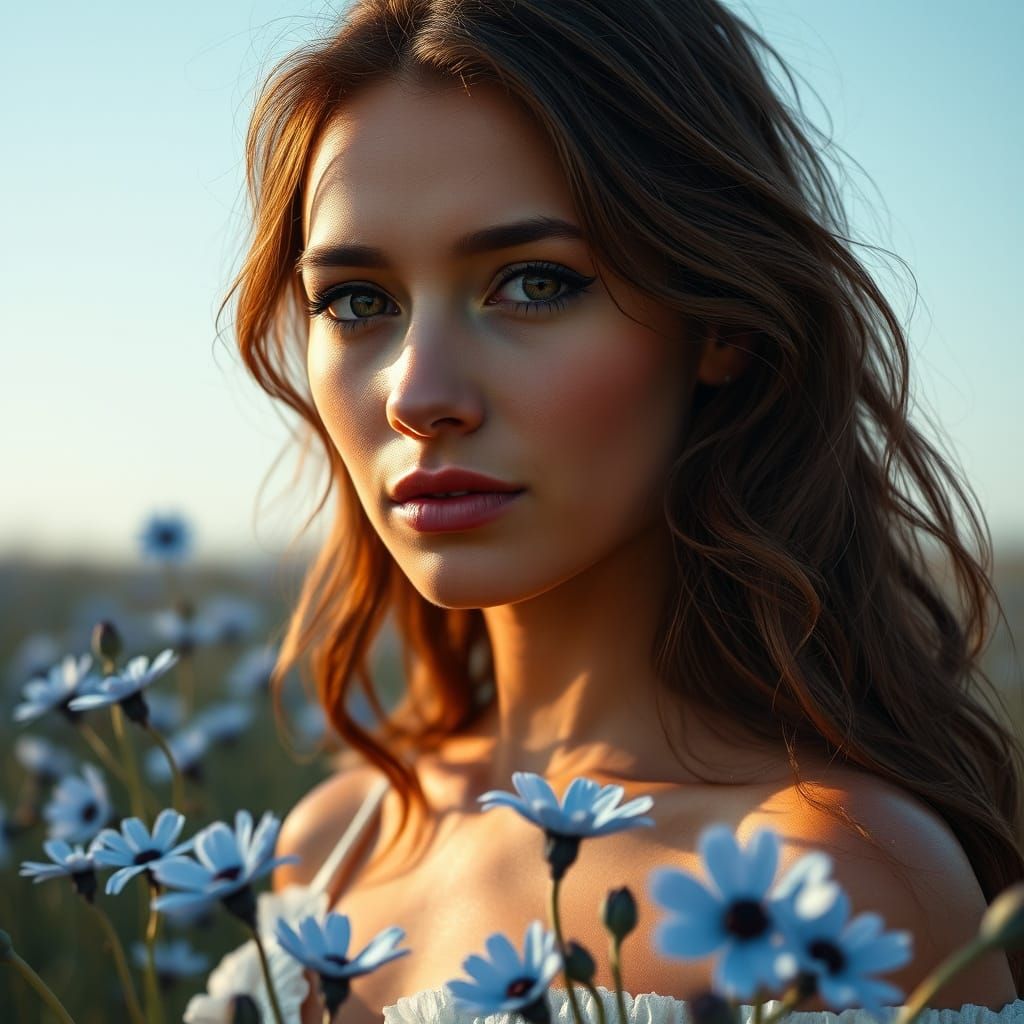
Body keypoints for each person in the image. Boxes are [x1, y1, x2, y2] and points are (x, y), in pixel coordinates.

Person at [219, 1, 1024, 1020]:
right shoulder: (330, 839)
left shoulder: (826, 883)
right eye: (356, 301)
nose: (417, 394)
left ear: (719, 325)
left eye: (534, 282)